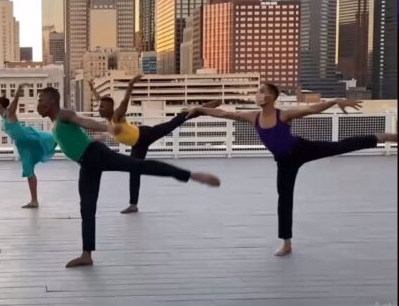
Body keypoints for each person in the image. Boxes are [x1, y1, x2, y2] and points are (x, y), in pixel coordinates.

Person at [187, 83, 398, 257]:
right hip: (284, 162)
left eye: (262, 91)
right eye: (258, 91)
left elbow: (311, 109)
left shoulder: (283, 115)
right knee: (284, 199)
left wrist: (334, 101)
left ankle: (380, 137)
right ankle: (286, 243)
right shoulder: (253, 117)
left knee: (339, 146)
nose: (258, 94)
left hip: (301, 148)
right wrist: (199, 109)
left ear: (271, 97)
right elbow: (223, 114)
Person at [36, 86, 221, 268]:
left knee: (139, 166)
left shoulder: (63, 115)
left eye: (40, 100)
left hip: (96, 155)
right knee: (87, 207)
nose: (38, 103)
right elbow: (74, 138)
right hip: (86, 163)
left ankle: (191, 175)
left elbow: (83, 121)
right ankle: (86, 254)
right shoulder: (55, 123)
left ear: (51, 102)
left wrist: (107, 128)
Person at [89, 75, 221, 213]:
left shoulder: (116, 116)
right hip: (138, 145)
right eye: (100, 107)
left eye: (102, 107)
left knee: (176, 121)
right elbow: (101, 100)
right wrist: (93, 90)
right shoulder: (109, 118)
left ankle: (204, 108)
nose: (100, 109)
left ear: (110, 108)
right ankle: (133, 205)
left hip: (145, 135)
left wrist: (130, 85)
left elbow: (124, 102)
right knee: (134, 172)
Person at [0, 83, 56, 208]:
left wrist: (18, 91)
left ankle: (64, 134)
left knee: (53, 139)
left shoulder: (8, 113)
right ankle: (34, 200)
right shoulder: (4, 116)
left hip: (28, 138)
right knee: (28, 171)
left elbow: (14, 105)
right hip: (23, 146)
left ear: (0, 105)